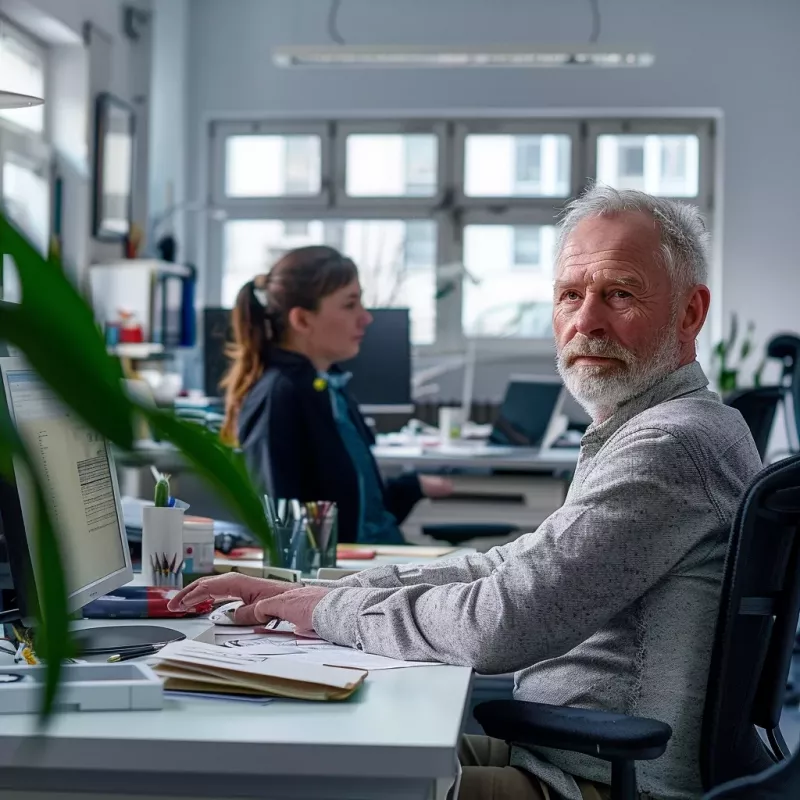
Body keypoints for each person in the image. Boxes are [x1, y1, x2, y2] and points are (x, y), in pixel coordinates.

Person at [173, 188, 763, 800]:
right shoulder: (653, 428)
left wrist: (324, 614)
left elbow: (500, 624)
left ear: (691, 314)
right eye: (570, 295)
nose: (586, 321)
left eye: (619, 293)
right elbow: (508, 565)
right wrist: (312, 594)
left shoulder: (670, 444)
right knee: (314, 750)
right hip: (572, 751)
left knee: (289, 781)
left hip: (599, 778)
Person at [219, 245, 452, 546]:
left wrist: (411, 486)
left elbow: (360, 512)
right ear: (302, 320)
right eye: (349, 305)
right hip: (347, 579)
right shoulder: (279, 396)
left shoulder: (329, 387)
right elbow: (282, 530)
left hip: (378, 559)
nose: (366, 317)